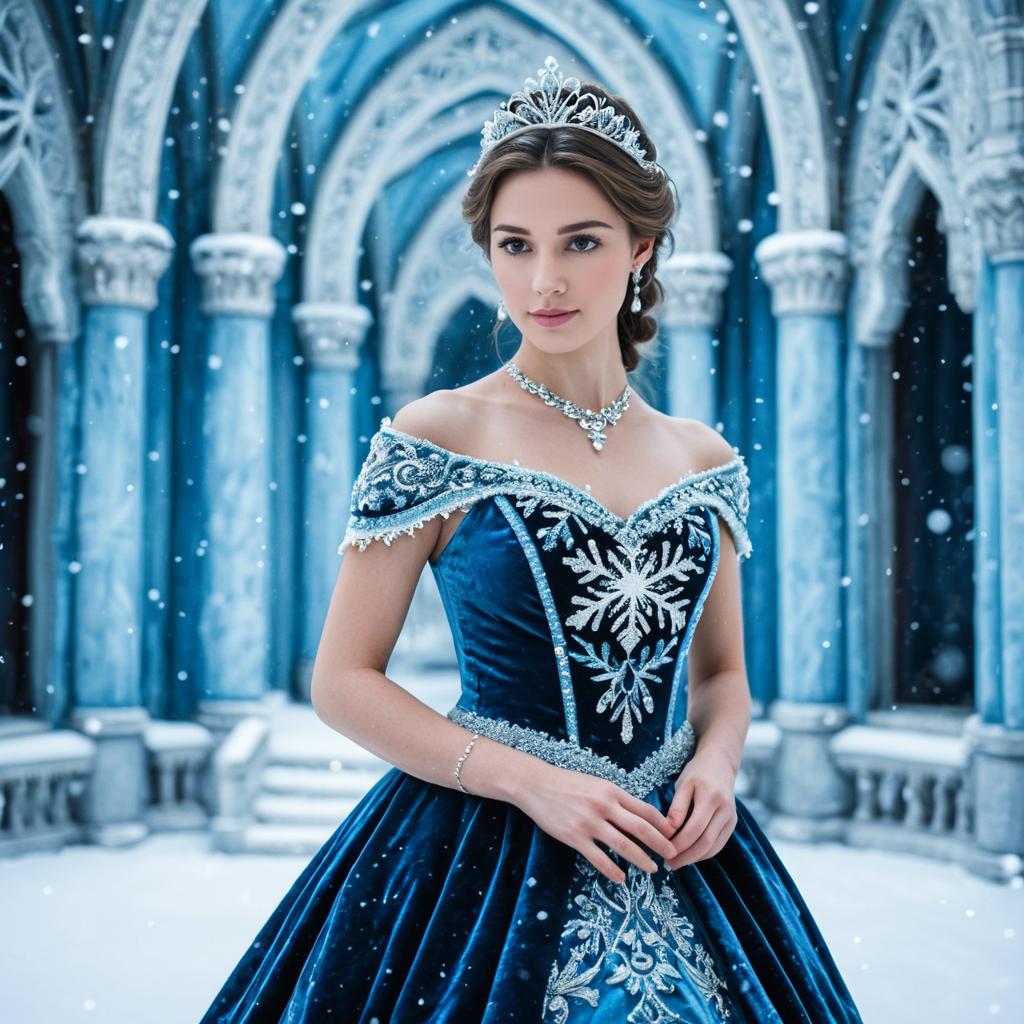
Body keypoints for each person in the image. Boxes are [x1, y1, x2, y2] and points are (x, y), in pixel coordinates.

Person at [200, 55, 864, 1023]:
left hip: (678, 848)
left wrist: (715, 765)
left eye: (580, 242)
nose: (543, 280)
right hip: (473, 858)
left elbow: (721, 677)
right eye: (514, 245)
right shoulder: (438, 434)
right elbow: (342, 680)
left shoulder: (702, 456)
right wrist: (528, 781)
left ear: (641, 246)